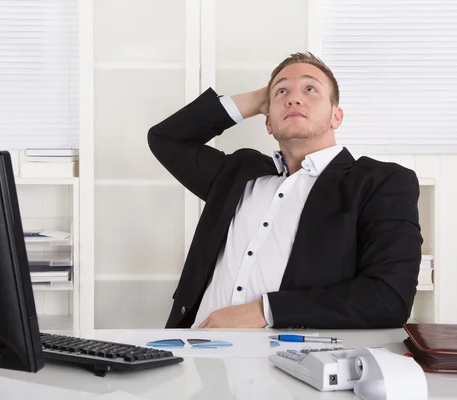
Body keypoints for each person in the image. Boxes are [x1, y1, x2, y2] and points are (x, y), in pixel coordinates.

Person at [148, 52, 422, 329]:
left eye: (310, 89)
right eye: (281, 92)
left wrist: (264, 311)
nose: (293, 98)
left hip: (290, 362)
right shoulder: (239, 173)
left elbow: (388, 297)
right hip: (195, 352)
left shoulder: (380, 182)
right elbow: (165, 139)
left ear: (336, 116)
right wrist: (259, 99)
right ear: (268, 122)